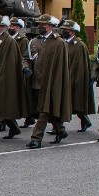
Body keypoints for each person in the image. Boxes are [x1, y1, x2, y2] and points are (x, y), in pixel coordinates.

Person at [25, 14, 71, 149]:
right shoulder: (34, 42)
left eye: (43, 25)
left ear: (50, 26)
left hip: (50, 83)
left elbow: (62, 66)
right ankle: (61, 131)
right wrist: (26, 67)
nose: (40, 27)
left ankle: (36, 138)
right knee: (46, 109)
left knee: (43, 110)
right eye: (38, 24)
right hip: (36, 82)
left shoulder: (59, 43)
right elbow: (26, 57)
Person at [0, 15, 28, 140]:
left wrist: (0, 78)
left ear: (2, 27)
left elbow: (10, 63)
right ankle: (14, 128)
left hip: (2, 79)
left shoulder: (9, 41)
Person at [60, 20, 95, 131]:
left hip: (75, 78)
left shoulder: (79, 45)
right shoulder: (63, 43)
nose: (64, 31)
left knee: (76, 103)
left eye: (66, 30)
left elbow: (81, 65)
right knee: (61, 103)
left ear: (73, 31)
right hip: (64, 77)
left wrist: (78, 79)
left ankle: (84, 121)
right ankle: (58, 127)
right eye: (63, 29)